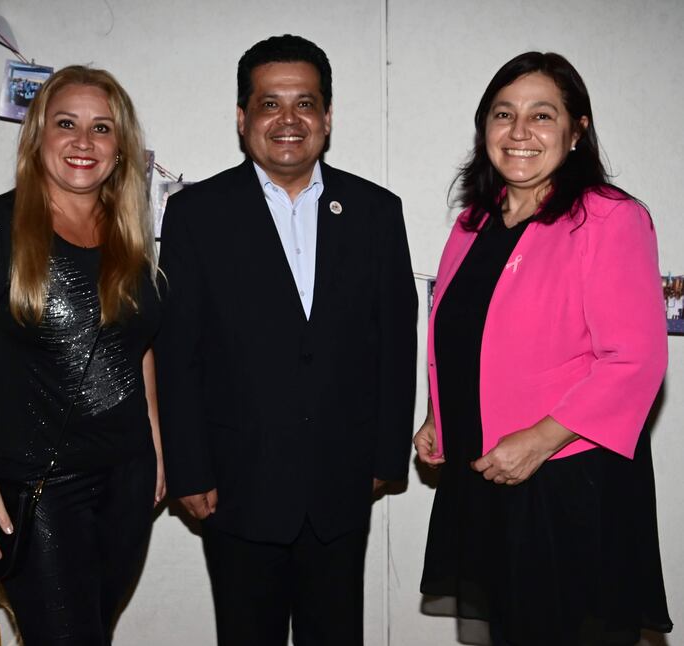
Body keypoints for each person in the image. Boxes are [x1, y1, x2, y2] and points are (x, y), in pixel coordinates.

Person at [155, 34, 417, 646]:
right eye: (270, 104)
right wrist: (189, 468)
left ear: (327, 116)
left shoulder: (376, 212)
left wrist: (382, 460)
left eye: (305, 103)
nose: (289, 120)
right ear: (243, 118)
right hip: (234, 488)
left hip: (341, 484)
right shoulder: (196, 214)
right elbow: (178, 351)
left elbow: (395, 343)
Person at [413, 51, 672, 646]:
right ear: (485, 129)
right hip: (485, 474)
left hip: (567, 483)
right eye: (504, 114)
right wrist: (439, 416)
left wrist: (540, 438)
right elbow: (465, 337)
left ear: (577, 130)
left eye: (543, 115)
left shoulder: (609, 218)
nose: (520, 132)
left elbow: (635, 359)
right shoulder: (472, 225)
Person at [0, 65, 165, 645]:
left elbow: (136, 352)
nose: (83, 142)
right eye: (67, 124)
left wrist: (157, 448)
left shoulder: (131, 238)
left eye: (102, 128)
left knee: (91, 633)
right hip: (38, 490)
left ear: (120, 150)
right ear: (38, 135)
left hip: (127, 481)